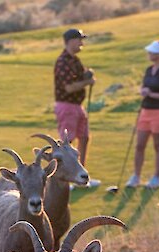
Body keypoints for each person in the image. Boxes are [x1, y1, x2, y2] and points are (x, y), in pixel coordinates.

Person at [126, 40, 159, 189]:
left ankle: (156, 178)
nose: (149, 54)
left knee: (158, 145)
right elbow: (145, 87)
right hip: (145, 111)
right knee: (139, 145)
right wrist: (144, 92)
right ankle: (136, 176)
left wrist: (151, 94)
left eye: (152, 52)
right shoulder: (149, 70)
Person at [54, 28, 100, 188]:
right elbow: (69, 88)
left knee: (85, 138)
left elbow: (78, 79)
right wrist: (87, 82)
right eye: (79, 40)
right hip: (67, 106)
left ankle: (81, 176)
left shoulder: (75, 61)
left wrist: (86, 75)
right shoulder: (62, 62)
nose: (81, 43)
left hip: (77, 106)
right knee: (67, 144)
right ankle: (66, 178)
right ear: (70, 41)